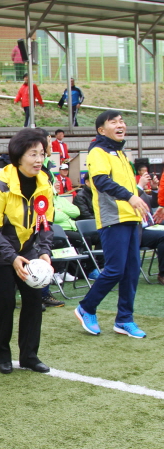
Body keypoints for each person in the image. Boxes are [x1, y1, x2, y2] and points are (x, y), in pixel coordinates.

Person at [0, 128, 54, 374]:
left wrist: (44, 251)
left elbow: (45, 223)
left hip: (30, 253)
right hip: (0, 257)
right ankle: (3, 355)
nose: (38, 160)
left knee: (34, 303)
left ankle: (30, 356)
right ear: (18, 156)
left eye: (42, 154)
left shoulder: (45, 184)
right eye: (33, 154)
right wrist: (12, 258)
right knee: (4, 304)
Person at [74, 111, 150, 339]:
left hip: (132, 219)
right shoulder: (98, 151)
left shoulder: (120, 153)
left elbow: (125, 187)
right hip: (113, 219)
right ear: (101, 130)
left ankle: (124, 319)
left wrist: (138, 193)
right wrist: (131, 196)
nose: (120, 125)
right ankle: (87, 307)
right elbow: (101, 180)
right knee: (115, 269)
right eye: (113, 122)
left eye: (122, 121)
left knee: (131, 272)